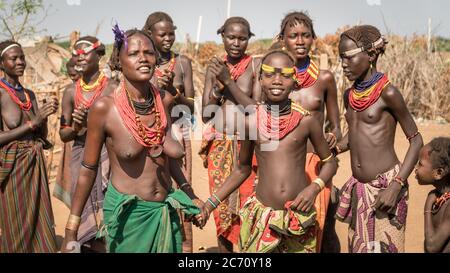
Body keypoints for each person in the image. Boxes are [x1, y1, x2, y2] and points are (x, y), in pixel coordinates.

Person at [61, 27, 202, 253]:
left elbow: (166, 157)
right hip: (128, 219)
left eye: (148, 52)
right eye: (134, 53)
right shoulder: (104, 109)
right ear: (119, 60)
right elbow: (88, 169)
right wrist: (71, 228)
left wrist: (190, 194)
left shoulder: (163, 100)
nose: (143, 59)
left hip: (165, 212)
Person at [200, 49, 338, 253]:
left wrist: (314, 188)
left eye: (284, 75)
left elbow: (330, 162)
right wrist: (210, 204)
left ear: (295, 82)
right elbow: (242, 170)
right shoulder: (251, 121)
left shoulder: (306, 121)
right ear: (260, 80)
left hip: (298, 216)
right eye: (270, 74)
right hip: (261, 215)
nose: (277, 80)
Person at [335, 25, 423, 253]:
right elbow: (354, 136)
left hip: (386, 188)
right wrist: (335, 146)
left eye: (349, 57)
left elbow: (416, 140)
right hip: (360, 190)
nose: (344, 64)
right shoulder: (350, 95)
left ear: (371, 54)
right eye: (341, 58)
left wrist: (397, 185)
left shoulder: (388, 93)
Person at [199, 16, 261, 252]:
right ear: (222, 36)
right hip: (220, 147)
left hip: (247, 146)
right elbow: (206, 113)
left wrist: (229, 83)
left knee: (248, 206)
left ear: (248, 39)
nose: (236, 43)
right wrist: (218, 87)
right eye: (231, 37)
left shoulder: (255, 66)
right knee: (221, 208)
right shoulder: (214, 68)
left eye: (242, 38)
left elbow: (255, 110)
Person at [143, 11, 196, 253]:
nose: (168, 38)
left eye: (171, 33)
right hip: (148, 135)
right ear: (150, 35)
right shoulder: (144, 62)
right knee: (154, 188)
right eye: (162, 34)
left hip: (178, 131)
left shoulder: (183, 62)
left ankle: (184, 249)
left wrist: (173, 90)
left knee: (183, 187)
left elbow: (192, 107)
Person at [58, 36, 116, 252]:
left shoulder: (113, 88)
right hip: (80, 156)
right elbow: (64, 135)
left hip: (108, 157)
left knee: (108, 212)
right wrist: (76, 126)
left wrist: (95, 123)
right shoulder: (70, 92)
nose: (79, 57)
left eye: (85, 52)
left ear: (99, 55)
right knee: (81, 211)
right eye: (76, 54)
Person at [0, 40, 59, 252]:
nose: (20, 62)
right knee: (15, 223)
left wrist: (44, 116)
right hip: (13, 167)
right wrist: (32, 122)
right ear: (1, 63)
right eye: (13, 58)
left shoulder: (29, 94)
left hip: (34, 163)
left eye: (22, 57)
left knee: (38, 220)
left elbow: (40, 135)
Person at [54, 57, 81, 208]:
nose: (74, 79)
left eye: (76, 76)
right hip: (73, 142)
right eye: (71, 76)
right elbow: (64, 127)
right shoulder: (70, 92)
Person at [415, 137, 450, 253]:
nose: (415, 168)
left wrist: (427, 208)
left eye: (420, 164)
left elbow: (431, 247)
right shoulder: (441, 198)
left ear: (438, 173)